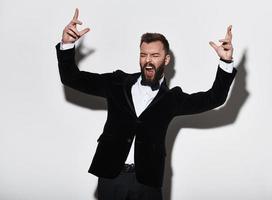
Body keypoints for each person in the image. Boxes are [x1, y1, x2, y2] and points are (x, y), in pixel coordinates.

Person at [55, 8, 237, 200]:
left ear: (166, 59)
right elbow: (72, 79)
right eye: (143, 55)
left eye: (155, 56)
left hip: (147, 183)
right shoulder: (117, 83)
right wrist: (67, 45)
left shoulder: (173, 99)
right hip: (110, 177)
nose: (148, 61)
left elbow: (214, 98)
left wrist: (225, 61)